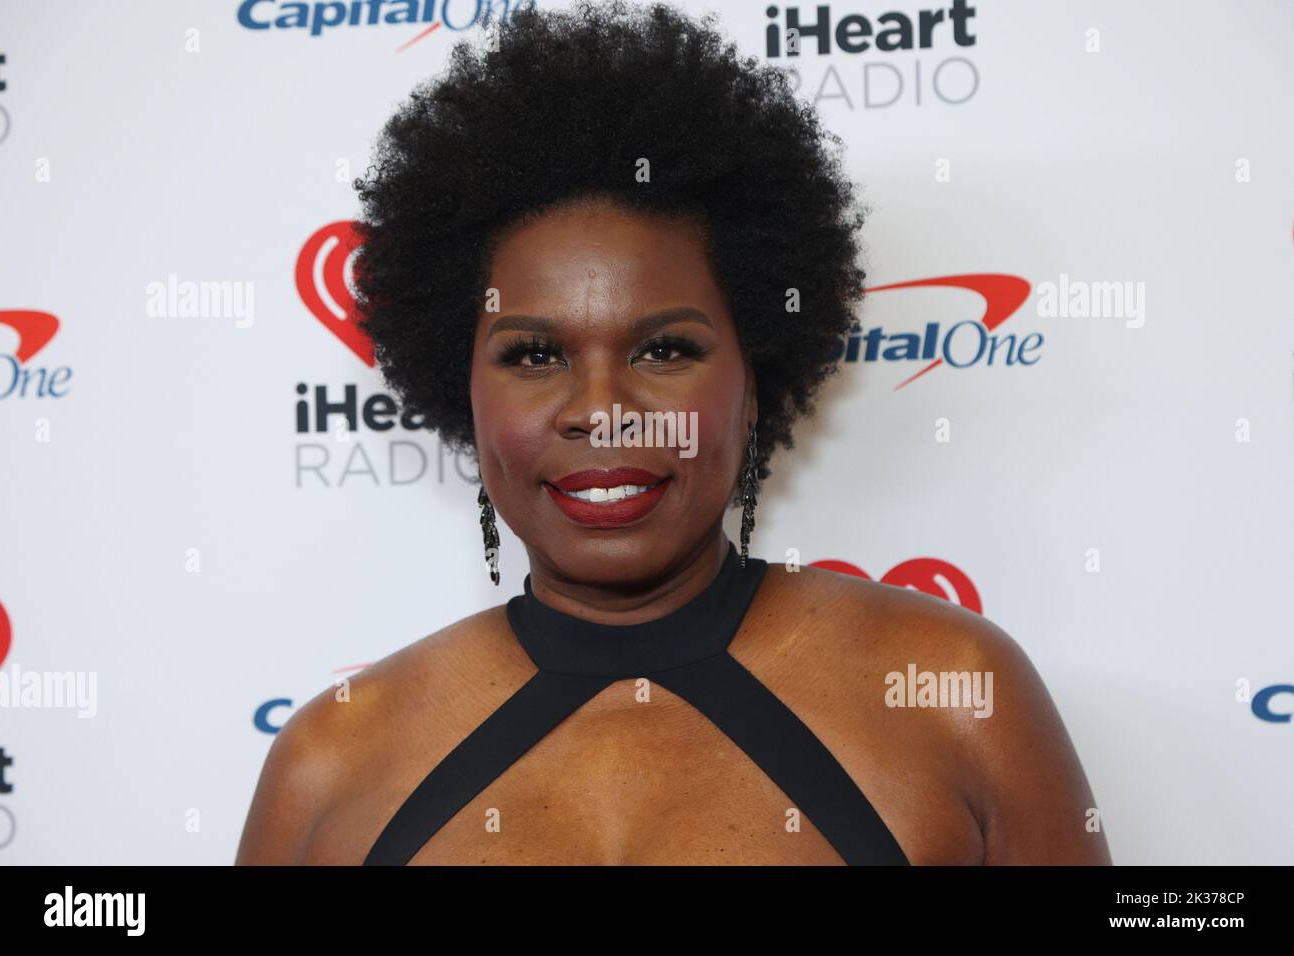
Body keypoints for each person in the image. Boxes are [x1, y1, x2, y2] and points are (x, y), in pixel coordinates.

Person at [236, 0, 1111, 866]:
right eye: (535, 354)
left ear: (754, 380)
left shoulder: (960, 697)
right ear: (460, 389)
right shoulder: (327, 768)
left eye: (664, 348)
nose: (602, 408)